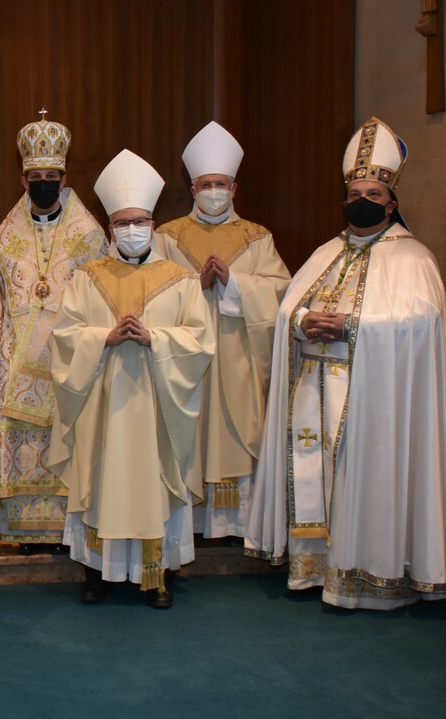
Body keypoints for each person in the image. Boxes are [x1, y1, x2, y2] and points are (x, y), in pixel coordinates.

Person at [245, 117, 446, 609]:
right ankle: (313, 570)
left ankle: (367, 575)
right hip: (312, 392)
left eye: (374, 194)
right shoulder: (326, 252)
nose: (363, 201)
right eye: (355, 192)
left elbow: (420, 325)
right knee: (314, 475)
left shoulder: (414, 260)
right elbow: (286, 309)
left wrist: (352, 326)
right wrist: (302, 322)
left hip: (370, 396)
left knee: (359, 480)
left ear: (392, 203)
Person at [51, 150, 213, 609]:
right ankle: (97, 573)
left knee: (154, 480)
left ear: (153, 225)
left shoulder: (181, 280)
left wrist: (155, 338)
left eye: (140, 220)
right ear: (109, 230)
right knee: (102, 479)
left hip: (157, 407)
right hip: (103, 405)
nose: (132, 229)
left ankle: (157, 573)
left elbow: (201, 341)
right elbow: (65, 336)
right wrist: (103, 337)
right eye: (123, 222)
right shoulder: (87, 278)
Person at [0, 110, 107, 554]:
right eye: (36, 176)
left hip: (73, 360)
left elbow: (103, 292)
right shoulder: (5, 235)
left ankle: (69, 531)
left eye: (52, 175)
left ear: (64, 179)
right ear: (22, 180)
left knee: (67, 439)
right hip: (19, 361)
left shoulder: (90, 235)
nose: (44, 183)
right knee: (24, 440)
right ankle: (27, 533)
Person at [154, 122, 290, 540]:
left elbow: (281, 291)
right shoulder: (167, 236)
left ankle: (232, 525)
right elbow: (152, 294)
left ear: (235, 187)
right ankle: (188, 522)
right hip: (186, 359)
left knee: (231, 432)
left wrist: (236, 285)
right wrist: (195, 286)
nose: (215, 190)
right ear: (192, 189)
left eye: (222, 183)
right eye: (206, 184)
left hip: (237, 356)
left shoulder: (257, 237)